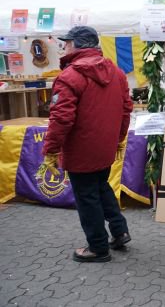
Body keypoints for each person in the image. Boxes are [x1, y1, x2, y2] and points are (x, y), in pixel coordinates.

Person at [41, 26, 132, 263]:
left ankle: (98, 247)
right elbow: (125, 110)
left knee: (87, 196)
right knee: (101, 187)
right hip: (105, 146)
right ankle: (120, 231)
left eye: (67, 42)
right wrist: (119, 138)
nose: (65, 46)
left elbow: (61, 118)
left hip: (81, 148)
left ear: (77, 45)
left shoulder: (70, 76)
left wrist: (50, 150)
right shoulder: (117, 73)